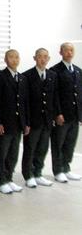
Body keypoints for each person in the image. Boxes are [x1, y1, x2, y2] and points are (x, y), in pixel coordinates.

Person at [0, 49, 30, 194]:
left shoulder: (22, 78)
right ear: (6, 60)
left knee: (13, 153)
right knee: (1, 153)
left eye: (16, 57)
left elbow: (25, 102)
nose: (14, 60)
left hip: (18, 122)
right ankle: (0, 180)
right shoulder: (0, 76)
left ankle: (9, 178)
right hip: (5, 122)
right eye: (11, 57)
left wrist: (26, 122)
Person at [22, 48, 59, 187]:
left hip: (47, 119)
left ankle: (38, 173)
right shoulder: (27, 76)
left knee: (42, 148)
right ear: (34, 58)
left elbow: (54, 98)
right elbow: (24, 101)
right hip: (33, 120)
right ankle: (28, 175)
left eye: (45, 57)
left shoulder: (52, 75)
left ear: (48, 59)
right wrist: (26, 121)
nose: (42, 59)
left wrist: (56, 115)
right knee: (30, 148)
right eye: (40, 57)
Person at [50, 42, 82, 182]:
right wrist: (57, 113)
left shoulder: (78, 70)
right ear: (60, 52)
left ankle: (66, 167)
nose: (69, 52)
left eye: (71, 50)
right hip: (62, 115)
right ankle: (58, 171)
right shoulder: (55, 71)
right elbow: (54, 94)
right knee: (58, 143)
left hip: (75, 115)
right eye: (66, 50)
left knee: (70, 142)